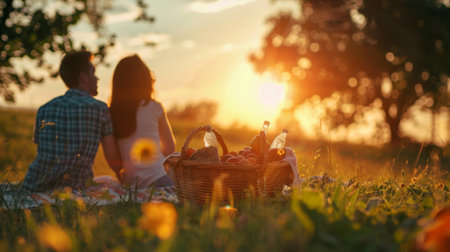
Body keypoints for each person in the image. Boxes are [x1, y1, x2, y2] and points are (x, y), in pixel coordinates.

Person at [22, 51, 122, 192]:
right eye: (93, 73)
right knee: (109, 181)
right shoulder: (100, 109)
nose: (97, 78)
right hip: (73, 190)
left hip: (34, 186)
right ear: (83, 78)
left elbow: (42, 150)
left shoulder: (44, 109)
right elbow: (113, 161)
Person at [109, 54, 176, 188]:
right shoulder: (154, 107)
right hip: (161, 177)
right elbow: (170, 148)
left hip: (132, 184)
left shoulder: (111, 112)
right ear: (147, 81)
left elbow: (114, 160)